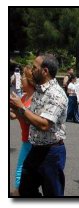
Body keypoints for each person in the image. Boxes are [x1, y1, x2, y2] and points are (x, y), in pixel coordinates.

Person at [10, 53, 68, 197]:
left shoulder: (56, 94)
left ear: (45, 71)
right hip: (35, 149)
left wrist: (21, 107)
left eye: (35, 67)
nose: (32, 70)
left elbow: (44, 125)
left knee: (53, 193)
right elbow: (31, 119)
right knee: (25, 189)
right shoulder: (39, 91)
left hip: (51, 152)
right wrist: (17, 109)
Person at [9, 66, 35, 196]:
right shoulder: (24, 97)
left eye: (23, 77)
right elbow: (15, 116)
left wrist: (18, 108)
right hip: (25, 139)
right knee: (21, 169)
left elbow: (29, 120)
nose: (20, 79)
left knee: (23, 170)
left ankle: (18, 192)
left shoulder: (35, 98)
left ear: (30, 81)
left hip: (33, 141)